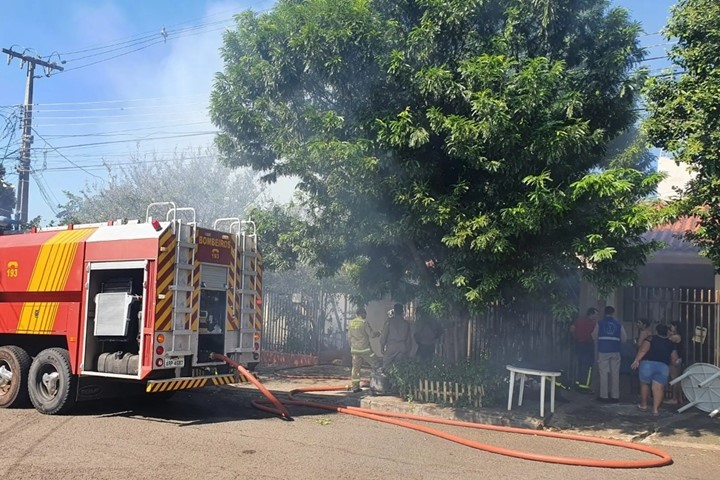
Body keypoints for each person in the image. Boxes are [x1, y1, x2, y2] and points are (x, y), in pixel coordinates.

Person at [631, 324, 679, 416]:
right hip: (663, 366)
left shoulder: (650, 338)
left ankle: (644, 405)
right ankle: (655, 409)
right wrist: (675, 363)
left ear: (656, 331)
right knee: (658, 387)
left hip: (647, 364)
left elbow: (643, 350)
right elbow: (674, 358)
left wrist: (637, 360)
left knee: (644, 384)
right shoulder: (670, 343)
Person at [592, 306, 627, 403]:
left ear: (604, 312)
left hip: (603, 351)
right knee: (615, 373)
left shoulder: (600, 323)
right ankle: (615, 396)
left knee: (603, 373)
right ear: (613, 313)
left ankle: (604, 396)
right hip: (615, 351)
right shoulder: (619, 324)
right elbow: (624, 338)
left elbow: (594, 335)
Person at [346, 307, 381, 392]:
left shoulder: (350, 323)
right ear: (362, 314)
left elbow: (348, 337)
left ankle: (355, 387)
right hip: (365, 349)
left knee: (355, 369)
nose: (366, 316)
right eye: (365, 314)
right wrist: (379, 333)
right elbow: (371, 334)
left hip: (354, 350)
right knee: (376, 363)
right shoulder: (364, 322)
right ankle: (377, 385)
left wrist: (352, 346)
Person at [570, 307, 598, 388]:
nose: (596, 316)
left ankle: (577, 383)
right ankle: (584, 386)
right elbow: (595, 335)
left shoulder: (579, 320)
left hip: (579, 344)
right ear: (591, 314)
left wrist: (575, 336)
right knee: (588, 366)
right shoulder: (593, 323)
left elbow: (572, 329)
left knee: (580, 364)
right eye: (596, 314)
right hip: (588, 345)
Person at [380, 303, 412, 370]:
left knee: (386, 366)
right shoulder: (406, 323)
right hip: (402, 346)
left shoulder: (389, 322)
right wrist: (408, 349)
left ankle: (385, 379)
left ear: (394, 311)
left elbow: (384, 335)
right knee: (400, 367)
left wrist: (382, 346)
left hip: (391, 346)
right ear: (402, 312)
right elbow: (409, 338)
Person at [667, 321, 684, 405]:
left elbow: (666, 339)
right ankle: (680, 398)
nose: (670, 328)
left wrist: (669, 333)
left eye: (672, 327)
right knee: (678, 380)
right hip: (678, 358)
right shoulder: (679, 336)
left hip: (674, 358)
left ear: (676, 327)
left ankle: (674, 398)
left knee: (674, 379)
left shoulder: (675, 337)